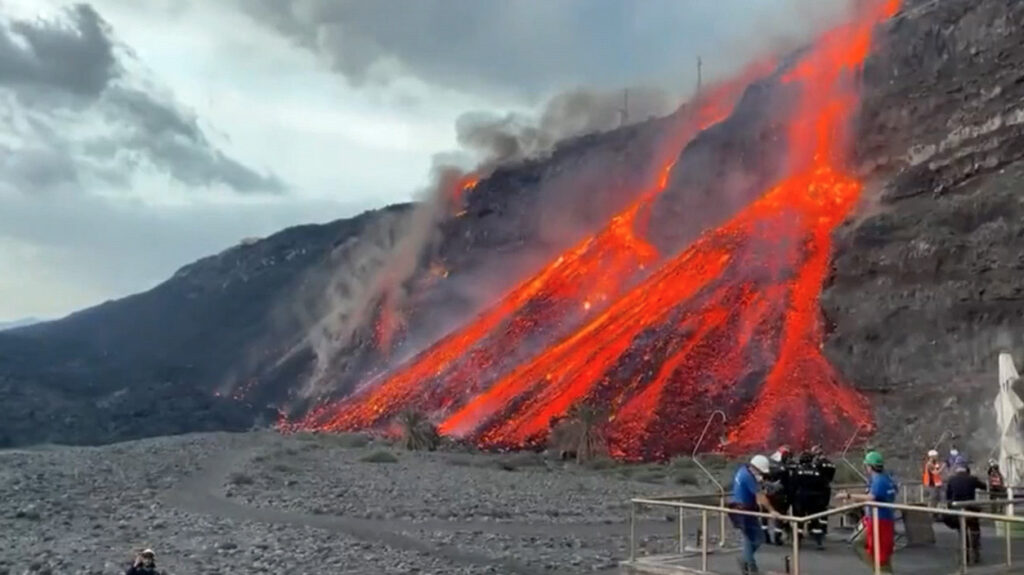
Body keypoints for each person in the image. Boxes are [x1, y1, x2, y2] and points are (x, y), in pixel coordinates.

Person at [839, 451, 897, 572]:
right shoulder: (886, 478)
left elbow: (872, 497)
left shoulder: (879, 480)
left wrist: (849, 495)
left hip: (880, 520)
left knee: (880, 554)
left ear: (870, 466)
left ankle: (880, 571)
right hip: (878, 518)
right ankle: (879, 570)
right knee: (859, 543)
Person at [729, 454, 780, 575]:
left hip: (740, 509)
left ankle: (749, 564)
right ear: (755, 468)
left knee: (750, 538)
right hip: (743, 510)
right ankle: (748, 563)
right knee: (756, 538)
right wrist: (772, 510)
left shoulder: (743, 470)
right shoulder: (748, 477)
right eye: (761, 472)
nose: (761, 474)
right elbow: (761, 497)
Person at [945, 462, 987, 565]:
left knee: (962, 531)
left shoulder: (951, 480)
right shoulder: (972, 479)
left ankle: (965, 554)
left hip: (957, 509)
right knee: (974, 527)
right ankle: (976, 550)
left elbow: (948, 496)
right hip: (970, 508)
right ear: (967, 470)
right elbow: (984, 487)